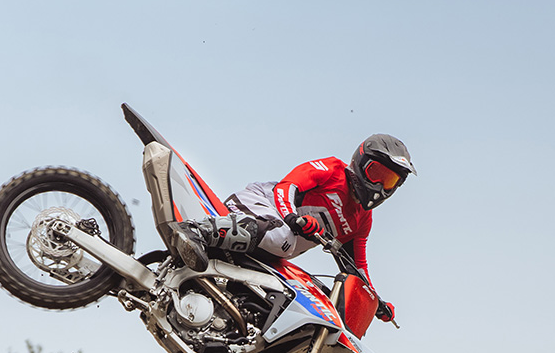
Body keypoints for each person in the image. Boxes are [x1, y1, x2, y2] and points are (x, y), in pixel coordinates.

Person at [172, 133, 416, 322]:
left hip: (273, 246)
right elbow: (287, 187)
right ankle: (196, 231)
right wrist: (292, 217)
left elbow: (357, 267)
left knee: (301, 292)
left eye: (390, 181)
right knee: (283, 239)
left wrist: (374, 301)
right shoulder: (333, 170)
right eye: (377, 174)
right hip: (259, 204)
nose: (380, 187)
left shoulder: (362, 220)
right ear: (361, 164)